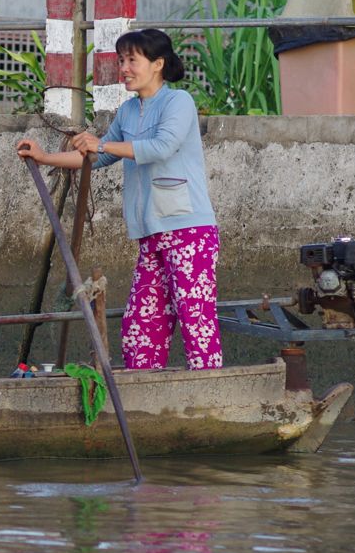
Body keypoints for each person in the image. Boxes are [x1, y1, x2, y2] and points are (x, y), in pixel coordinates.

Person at [16, 28, 222, 370]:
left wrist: (100, 144)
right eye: (121, 60)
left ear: (157, 64)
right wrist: (44, 157)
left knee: (195, 320)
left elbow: (160, 148)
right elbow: (96, 158)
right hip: (150, 233)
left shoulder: (178, 102)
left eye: (132, 60)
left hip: (189, 231)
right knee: (141, 327)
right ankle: (140, 388)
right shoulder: (128, 111)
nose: (123, 68)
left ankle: (208, 388)